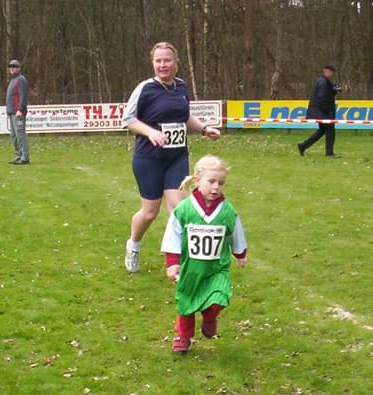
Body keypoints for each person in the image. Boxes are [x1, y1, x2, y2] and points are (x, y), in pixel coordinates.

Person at [122, 41, 221, 273]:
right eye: (158, 61)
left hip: (177, 157)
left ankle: (180, 262)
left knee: (178, 209)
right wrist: (151, 132)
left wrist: (205, 129)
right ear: (153, 63)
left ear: (176, 63)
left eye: (167, 60)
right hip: (149, 158)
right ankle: (133, 246)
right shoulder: (145, 88)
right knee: (149, 213)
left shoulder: (181, 87)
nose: (162, 65)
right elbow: (127, 120)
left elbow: (185, 117)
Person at [161, 155, 247, 354]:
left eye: (221, 183)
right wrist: (172, 262)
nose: (216, 187)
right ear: (197, 179)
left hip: (216, 268)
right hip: (191, 269)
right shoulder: (184, 209)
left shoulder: (227, 211)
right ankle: (183, 337)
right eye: (211, 181)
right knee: (186, 302)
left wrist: (240, 253)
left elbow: (235, 232)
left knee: (218, 298)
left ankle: (210, 317)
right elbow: (173, 235)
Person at [297, 65, 342, 157]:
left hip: (320, 111)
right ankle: (329, 153)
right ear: (327, 72)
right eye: (331, 72)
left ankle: (303, 145)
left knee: (322, 130)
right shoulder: (323, 82)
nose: (332, 74)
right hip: (324, 111)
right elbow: (323, 97)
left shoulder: (322, 81)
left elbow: (326, 93)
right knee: (330, 130)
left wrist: (335, 91)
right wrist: (327, 110)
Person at [6, 59, 30, 165]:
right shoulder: (13, 80)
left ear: (19, 68)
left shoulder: (21, 79)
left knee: (20, 134)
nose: (12, 68)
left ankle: (24, 157)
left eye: (14, 66)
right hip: (12, 112)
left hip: (18, 112)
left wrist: (20, 109)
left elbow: (23, 96)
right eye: (10, 66)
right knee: (14, 135)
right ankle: (18, 155)